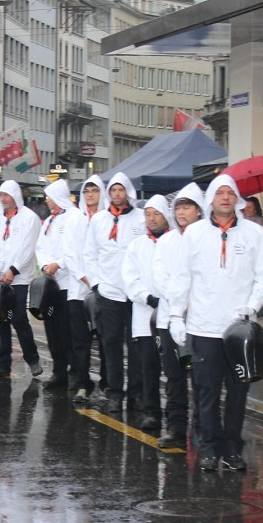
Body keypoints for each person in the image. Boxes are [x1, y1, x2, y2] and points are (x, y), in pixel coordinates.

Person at [167, 174, 263, 472]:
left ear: (237, 199)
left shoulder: (253, 233)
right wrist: (176, 315)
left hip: (239, 330)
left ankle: (232, 449)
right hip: (203, 326)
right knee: (206, 391)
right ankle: (209, 448)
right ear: (210, 200)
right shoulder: (195, 233)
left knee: (238, 392)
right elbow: (181, 276)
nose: (225, 197)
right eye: (220, 193)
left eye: (230, 193)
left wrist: (252, 306)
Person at [83, 172, 144, 414]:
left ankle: (136, 393)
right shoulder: (99, 220)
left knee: (136, 344)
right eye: (113, 190)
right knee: (111, 344)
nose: (117, 194)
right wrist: (97, 285)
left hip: (135, 294)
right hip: (109, 292)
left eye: (121, 190)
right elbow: (90, 254)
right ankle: (115, 392)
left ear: (127, 192)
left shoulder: (140, 218)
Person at [153, 182, 205, 449]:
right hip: (169, 318)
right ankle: (175, 427)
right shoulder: (166, 241)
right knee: (174, 377)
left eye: (188, 207)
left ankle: (202, 429)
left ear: (199, 210)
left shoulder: (207, 238)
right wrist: (178, 300)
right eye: (179, 207)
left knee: (201, 378)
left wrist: (191, 300)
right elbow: (160, 277)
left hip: (199, 320)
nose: (182, 212)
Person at [122, 194, 170, 432]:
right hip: (144, 315)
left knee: (173, 369)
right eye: (148, 214)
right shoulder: (137, 246)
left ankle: (174, 412)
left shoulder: (175, 242)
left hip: (172, 315)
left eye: (156, 214)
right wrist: (147, 297)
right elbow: (130, 278)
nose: (151, 219)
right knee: (148, 367)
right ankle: (152, 412)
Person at [0, 180, 42, 379]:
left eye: (7, 195)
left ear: (15, 196)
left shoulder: (30, 218)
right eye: (1, 195)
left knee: (18, 318)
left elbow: (28, 248)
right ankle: (3, 364)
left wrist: (13, 270)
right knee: (0, 321)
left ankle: (32, 358)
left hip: (19, 278)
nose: (3, 199)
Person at [64, 175, 106, 403]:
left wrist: (99, 282)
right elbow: (69, 252)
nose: (90, 195)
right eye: (87, 191)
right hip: (77, 289)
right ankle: (83, 382)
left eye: (95, 191)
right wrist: (86, 279)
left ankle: (107, 383)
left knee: (105, 338)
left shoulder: (107, 219)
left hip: (104, 290)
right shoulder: (74, 220)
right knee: (79, 340)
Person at [35, 179, 77, 390]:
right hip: (50, 285)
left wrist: (58, 264)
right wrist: (44, 265)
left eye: (49, 196)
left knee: (66, 330)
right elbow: (40, 247)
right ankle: (59, 371)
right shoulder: (48, 221)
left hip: (67, 284)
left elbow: (74, 248)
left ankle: (74, 371)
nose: (47, 201)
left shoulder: (74, 217)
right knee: (51, 330)